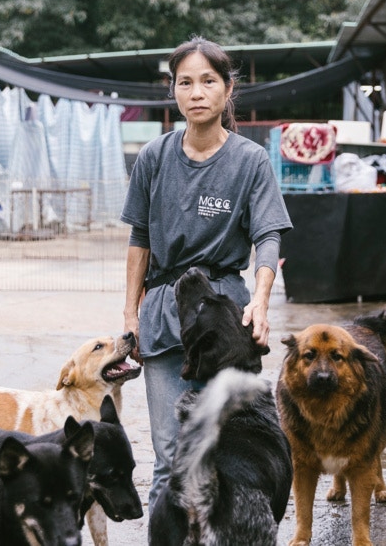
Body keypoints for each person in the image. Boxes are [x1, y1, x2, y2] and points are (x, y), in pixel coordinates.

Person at [120, 36, 292, 506]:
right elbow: (139, 239)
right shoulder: (154, 157)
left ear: (227, 89)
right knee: (169, 453)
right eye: (185, 82)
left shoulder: (249, 160)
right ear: (173, 91)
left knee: (226, 445)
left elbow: (268, 236)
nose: (196, 92)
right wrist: (130, 315)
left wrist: (259, 298)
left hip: (223, 314)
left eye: (208, 81)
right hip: (162, 309)